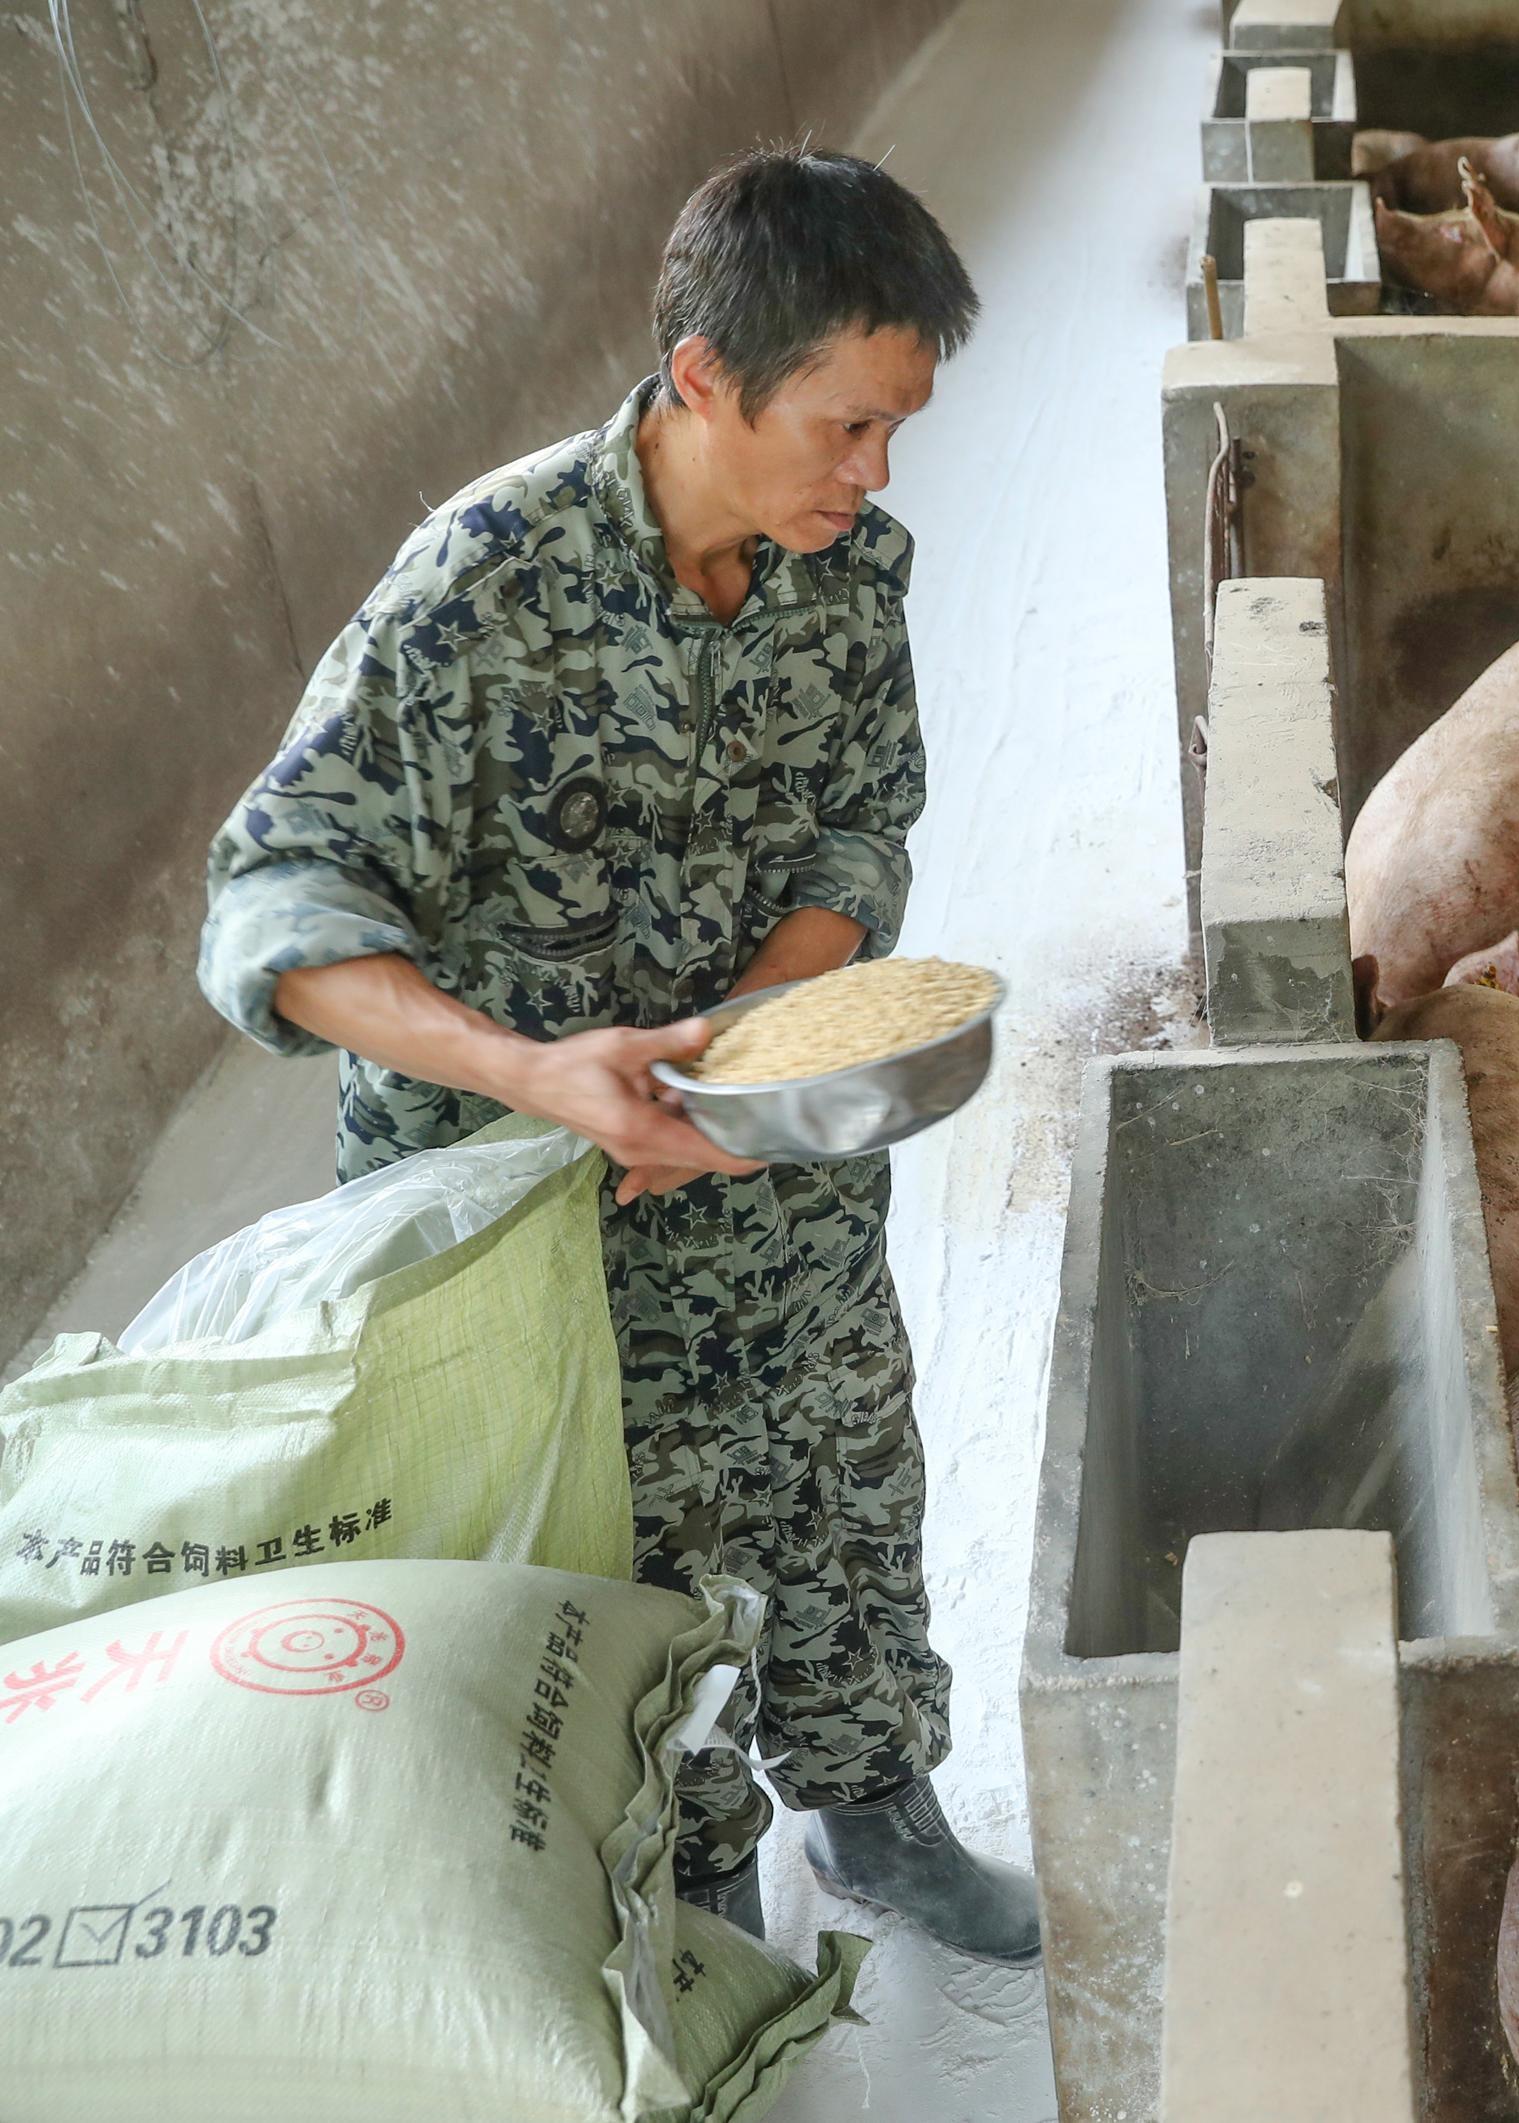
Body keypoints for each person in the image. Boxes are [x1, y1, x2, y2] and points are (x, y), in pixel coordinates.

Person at [195, 146, 1040, 1962]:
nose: (875, 474)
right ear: (703, 375)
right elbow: (273, 899)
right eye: (844, 426)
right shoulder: (479, 591)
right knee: (629, 1580)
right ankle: (694, 1889)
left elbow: (852, 834)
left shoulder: (847, 573)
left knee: (844, 1482)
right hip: (545, 1231)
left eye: (899, 427)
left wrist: (745, 1054)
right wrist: (541, 1075)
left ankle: (880, 1811)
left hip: (771, 1170)